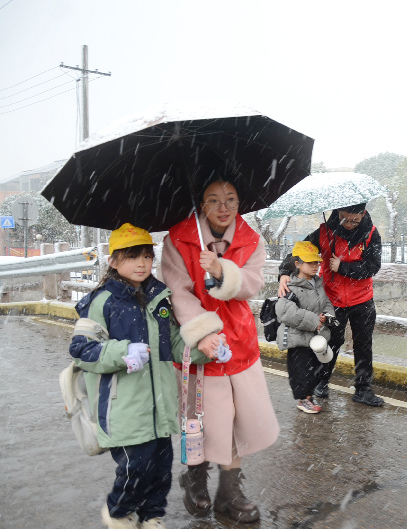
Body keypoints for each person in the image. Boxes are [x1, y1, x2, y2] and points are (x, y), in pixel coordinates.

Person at [69, 223, 209, 529]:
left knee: (160, 469)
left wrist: (203, 349)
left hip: (159, 405)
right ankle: (119, 513)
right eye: (133, 256)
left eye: (147, 255)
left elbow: (173, 345)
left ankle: (151, 516)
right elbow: (82, 349)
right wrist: (123, 352)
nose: (142, 263)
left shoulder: (159, 299)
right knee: (136, 467)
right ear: (114, 261)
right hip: (124, 407)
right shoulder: (101, 302)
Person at [161, 180, 280, 523]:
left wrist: (220, 270)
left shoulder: (250, 239)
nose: (223, 207)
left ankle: (230, 491)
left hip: (239, 344)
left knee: (235, 420)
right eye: (213, 200)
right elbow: (178, 291)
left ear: (240, 202)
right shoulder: (177, 239)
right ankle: (195, 479)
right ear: (201, 204)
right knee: (200, 421)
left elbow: (253, 283)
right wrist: (204, 333)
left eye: (230, 199)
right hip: (199, 346)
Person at [277, 202, 384, 407]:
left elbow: (372, 266)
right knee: (331, 341)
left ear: (363, 214)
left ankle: (363, 388)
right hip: (333, 300)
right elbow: (298, 254)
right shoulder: (324, 232)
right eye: (345, 219)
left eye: (355, 220)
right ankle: (322, 382)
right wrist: (284, 272)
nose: (350, 224)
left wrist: (342, 266)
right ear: (337, 212)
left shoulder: (371, 234)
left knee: (364, 344)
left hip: (362, 300)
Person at [275, 241, 337, 414]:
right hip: (297, 337)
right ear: (297, 264)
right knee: (301, 370)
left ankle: (309, 396)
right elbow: (285, 311)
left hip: (314, 337)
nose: (315, 266)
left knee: (316, 369)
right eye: (310, 262)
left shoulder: (318, 284)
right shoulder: (290, 286)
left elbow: (326, 304)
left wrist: (328, 316)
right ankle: (304, 399)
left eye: (316, 262)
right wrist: (313, 320)